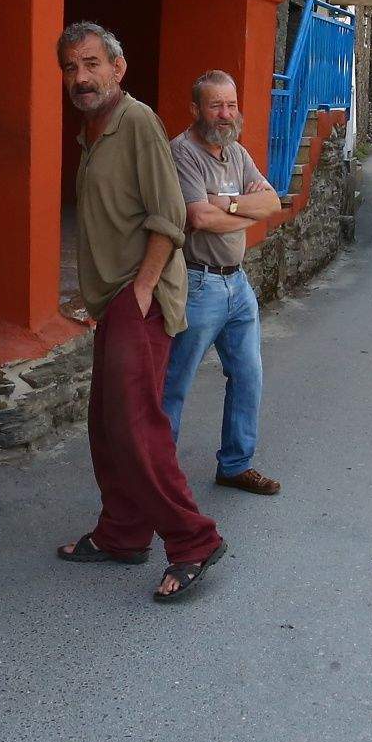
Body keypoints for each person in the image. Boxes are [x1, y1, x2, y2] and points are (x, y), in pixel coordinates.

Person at [52, 23, 228, 602]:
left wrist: (142, 289)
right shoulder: (94, 129)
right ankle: (123, 533)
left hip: (140, 297)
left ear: (117, 68)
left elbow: (169, 215)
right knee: (107, 425)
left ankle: (194, 539)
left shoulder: (137, 122)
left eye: (91, 64)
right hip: (114, 299)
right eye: (71, 67)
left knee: (136, 426)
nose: (81, 77)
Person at [161, 71, 286, 496]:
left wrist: (228, 204)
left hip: (238, 285)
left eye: (231, 105)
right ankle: (159, 477)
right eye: (216, 105)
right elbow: (199, 217)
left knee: (248, 376)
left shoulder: (235, 151)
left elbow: (272, 201)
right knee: (174, 384)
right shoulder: (183, 153)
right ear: (195, 109)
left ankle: (235, 465)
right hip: (199, 285)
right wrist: (245, 212)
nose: (226, 114)